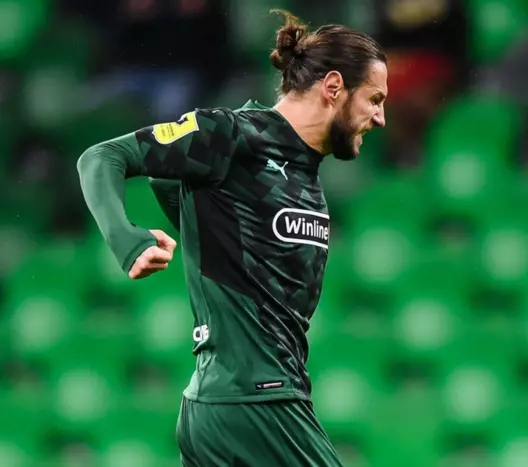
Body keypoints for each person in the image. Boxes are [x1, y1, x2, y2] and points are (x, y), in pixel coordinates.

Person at [76, 10, 387, 466]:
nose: (380, 118)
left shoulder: (304, 170)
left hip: (221, 408)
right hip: (258, 403)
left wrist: (200, 221)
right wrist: (126, 240)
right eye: (375, 99)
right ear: (334, 86)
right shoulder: (234, 135)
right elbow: (101, 158)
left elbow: (180, 189)